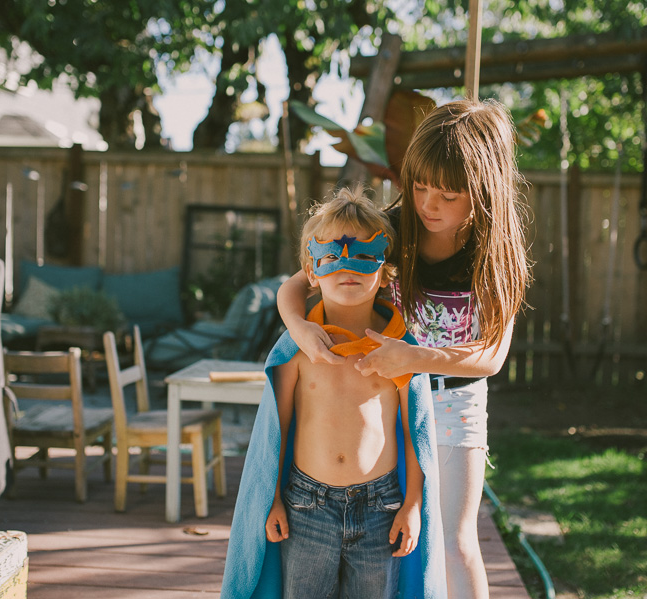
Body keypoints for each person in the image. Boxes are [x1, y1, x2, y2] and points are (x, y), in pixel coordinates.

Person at [277, 99, 530, 599]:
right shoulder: (391, 230)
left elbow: (493, 355)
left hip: (456, 406)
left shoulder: (495, 252)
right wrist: (299, 330)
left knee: (455, 542)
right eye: (419, 187)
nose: (429, 204)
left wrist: (414, 357)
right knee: (392, 539)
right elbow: (295, 287)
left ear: (483, 194)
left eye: (448, 195)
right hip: (386, 405)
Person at [220, 187, 446, 599]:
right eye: (331, 257)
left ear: (384, 269)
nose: (348, 268)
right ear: (312, 270)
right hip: (307, 508)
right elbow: (276, 435)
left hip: (382, 509)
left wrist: (414, 503)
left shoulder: (397, 350)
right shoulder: (297, 352)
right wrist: (271, 499)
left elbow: (415, 434)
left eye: (364, 256)